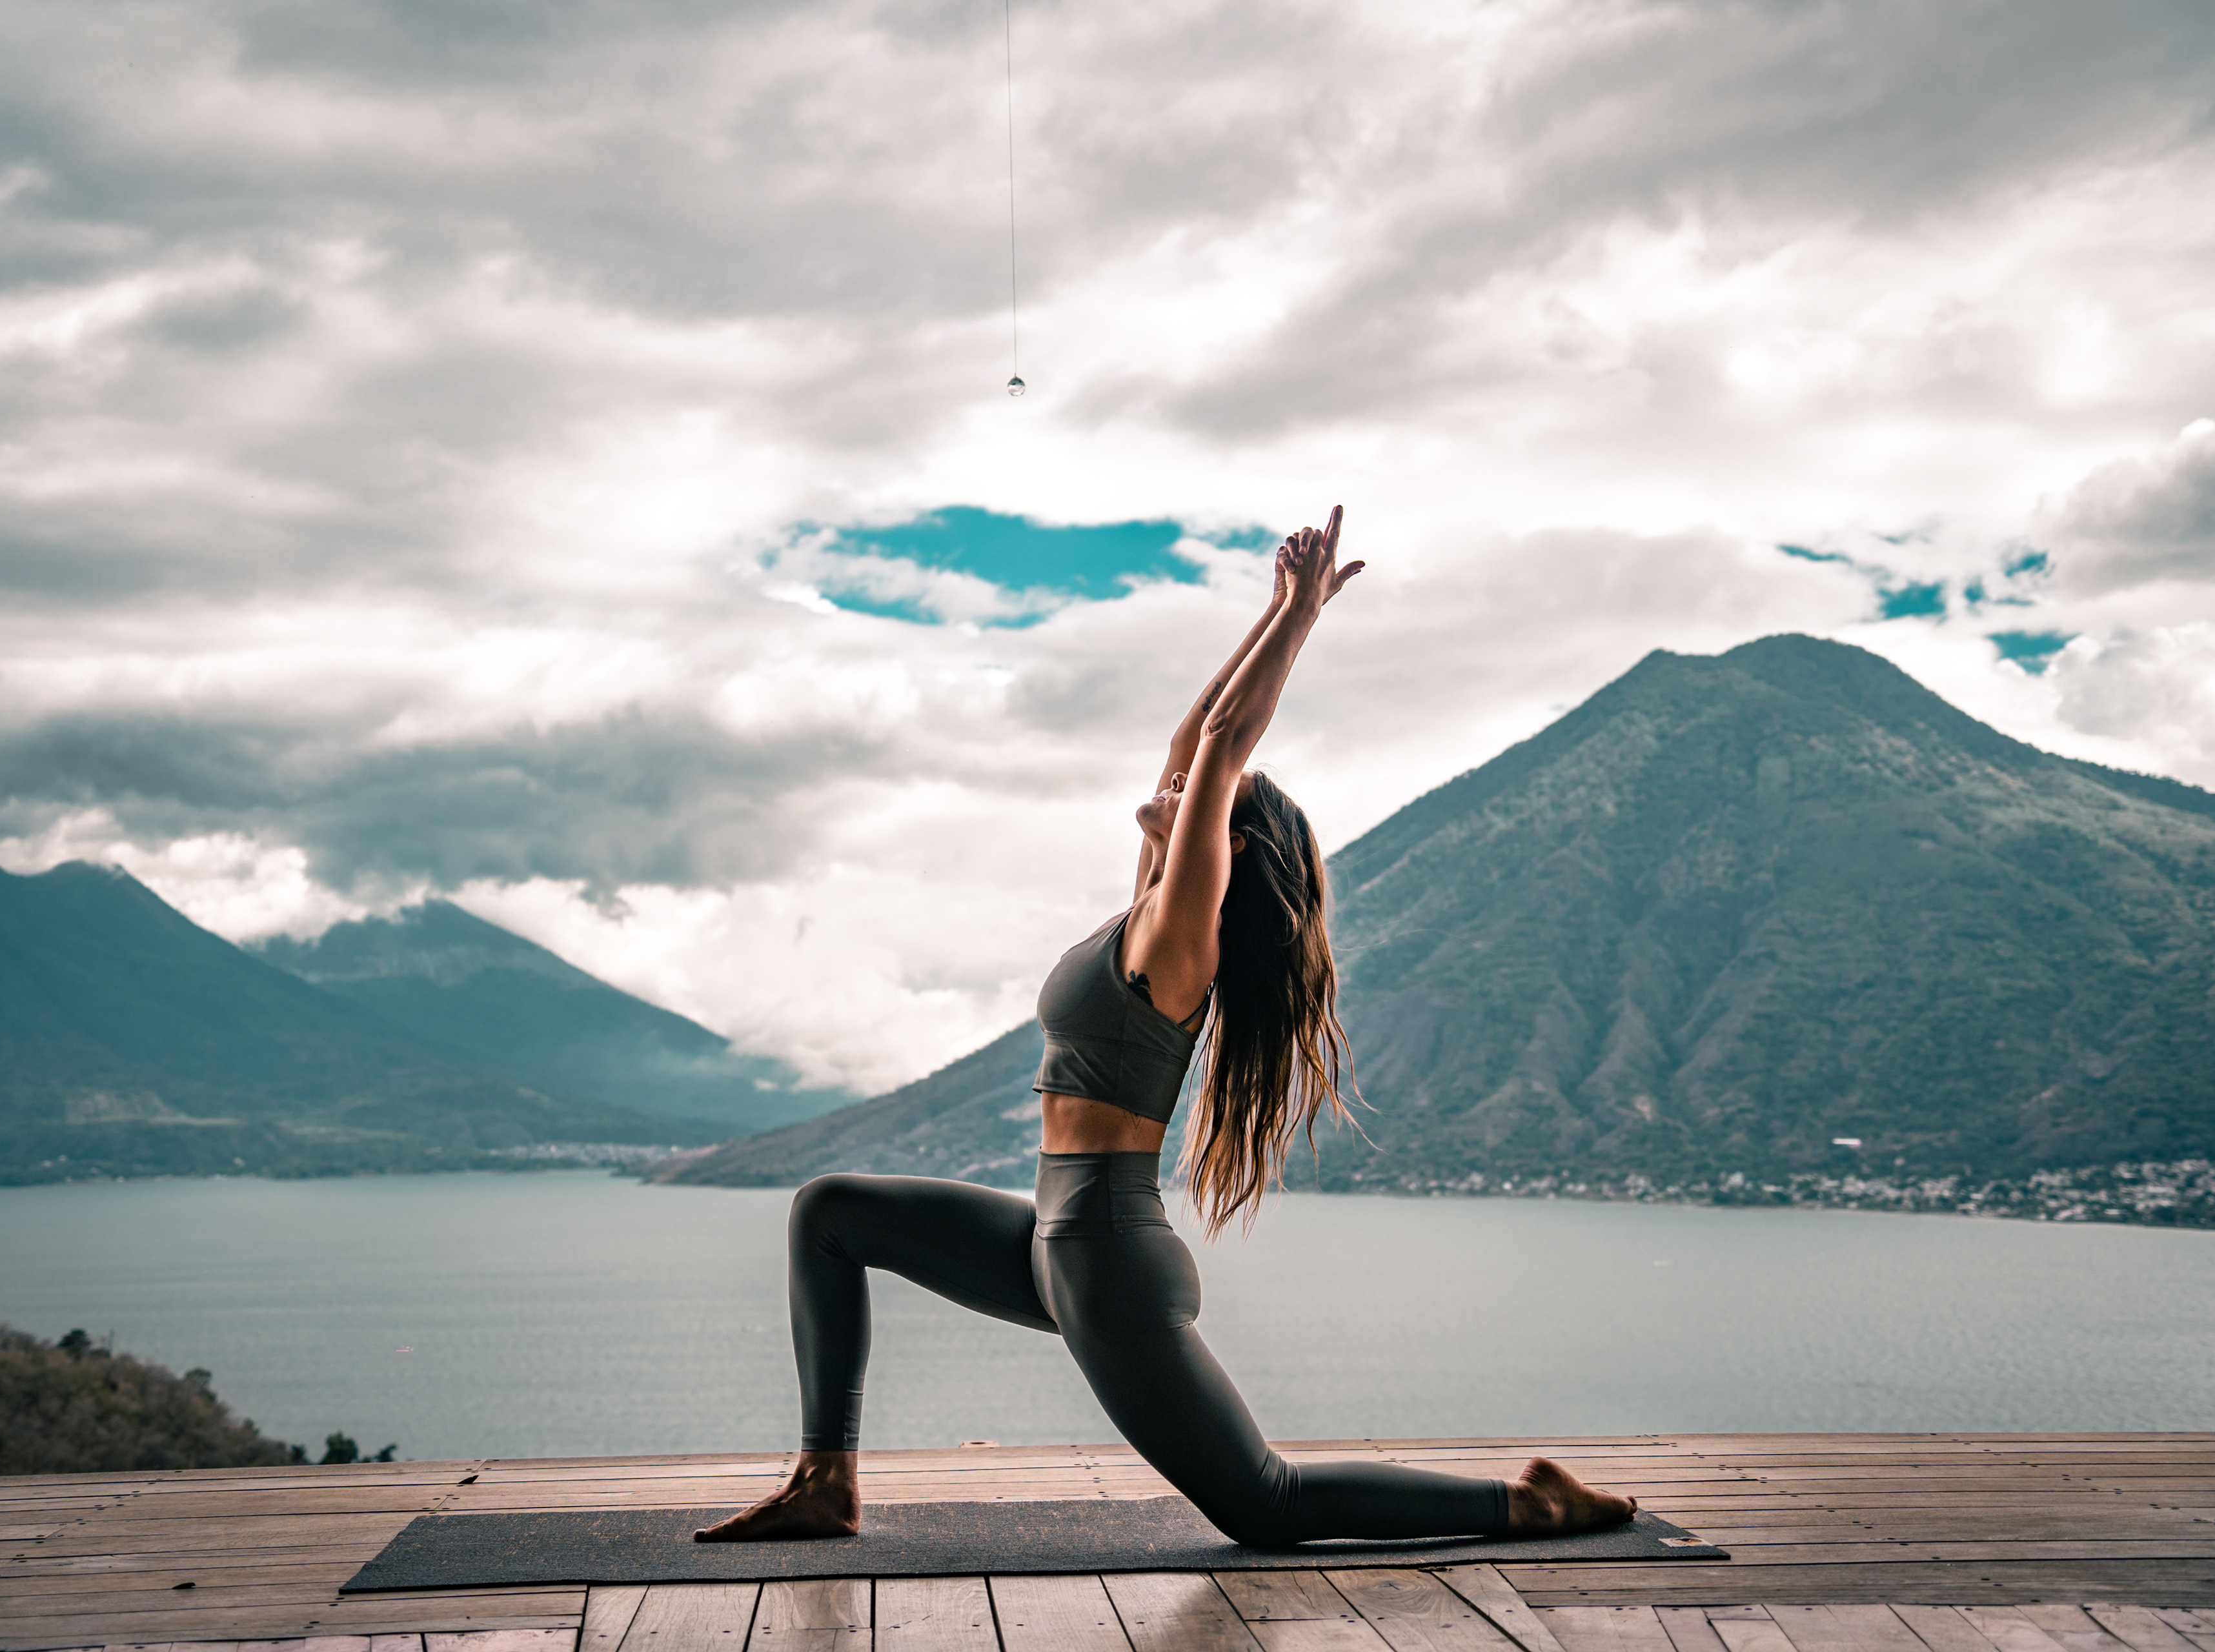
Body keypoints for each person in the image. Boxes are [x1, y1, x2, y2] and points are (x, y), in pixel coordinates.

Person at [697, 507, 1637, 1547]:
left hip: (1106, 1254)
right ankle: (824, 1483)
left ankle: (1531, 1501)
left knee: (1264, 1506)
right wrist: (1270, 609)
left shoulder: (1181, 943)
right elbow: (1196, 740)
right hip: (1053, 1235)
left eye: (1204, 801)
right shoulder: (1144, 913)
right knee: (829, 1211)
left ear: (1223, 851)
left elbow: (1225, 745)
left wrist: (1304, 617)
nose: (1177, 787)